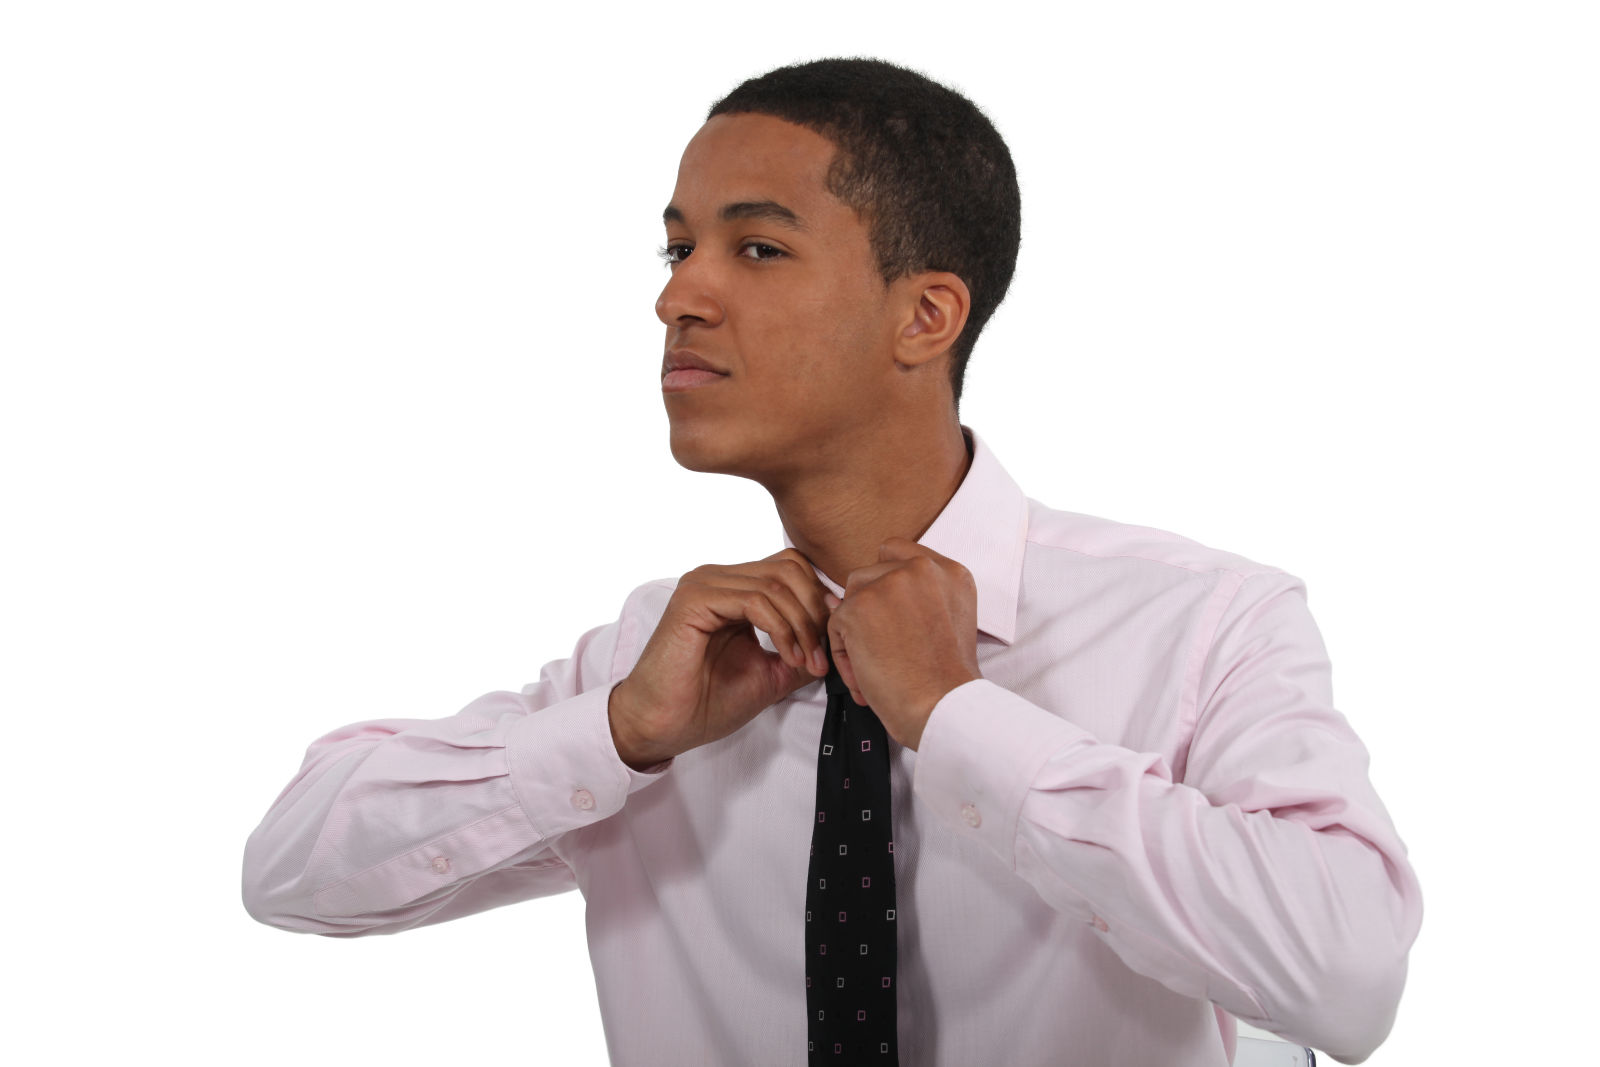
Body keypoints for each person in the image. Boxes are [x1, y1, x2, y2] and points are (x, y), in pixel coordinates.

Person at [242, 57, 1422, 1065]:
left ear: (926, 316)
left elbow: (1347, 972)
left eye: (754, 247)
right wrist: (619, 733)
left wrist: (962, 719)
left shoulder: (1198, 621)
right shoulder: (664, 662)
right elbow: (291, 867)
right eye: (675, 249)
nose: (679, 298)